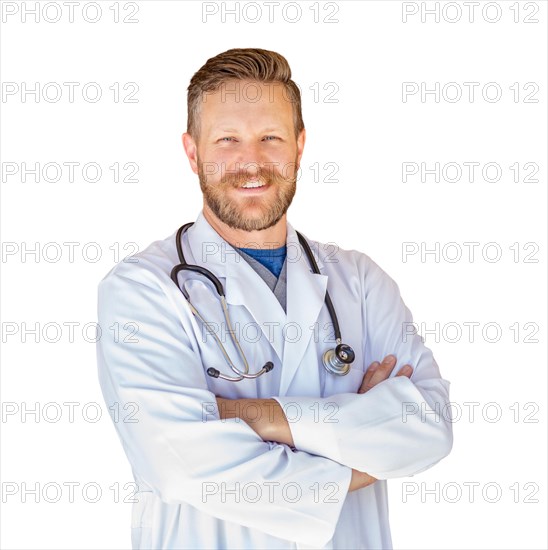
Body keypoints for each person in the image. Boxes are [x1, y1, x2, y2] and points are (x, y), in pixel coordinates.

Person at [96, 47, 453, 549]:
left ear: (300, 146)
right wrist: (366, 447)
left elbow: (428, 427)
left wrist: (257, 416)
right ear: (192, 151)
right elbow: (180, 465)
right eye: (227, 140)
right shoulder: (143, 291)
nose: (251, 162)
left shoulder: (361, 282)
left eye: (271, 137)